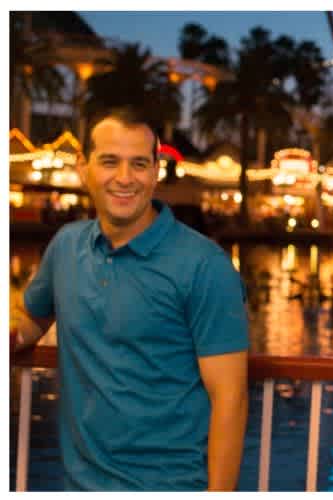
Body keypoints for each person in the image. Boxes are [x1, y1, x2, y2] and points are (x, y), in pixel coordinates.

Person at [9, 108, 250, 491]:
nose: (124, 178)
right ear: (83, 167)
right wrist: (16, 338)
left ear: (156, 171)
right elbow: (32, 323)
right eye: (109, 162)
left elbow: (230, 398)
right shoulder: (66, 247)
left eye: (139, 164)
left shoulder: (205, 266)